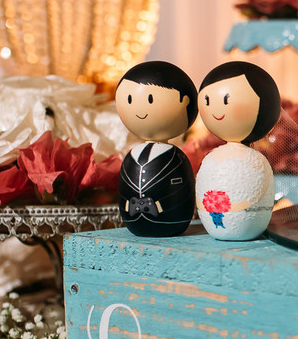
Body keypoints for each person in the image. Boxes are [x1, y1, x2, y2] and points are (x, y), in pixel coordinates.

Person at [194, 61, 280, 241]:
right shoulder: (212, 157)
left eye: (226, 100)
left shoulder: (256, 161)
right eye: (207, 101)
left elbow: (259, 191)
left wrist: (241, 206)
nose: (216, 109)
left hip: (248, 221)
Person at [115, 61, 198, 238]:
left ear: (185, 102)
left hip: (171, 221)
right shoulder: (132, 156)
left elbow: (182, 190)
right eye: (129, 99)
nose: (139, 108)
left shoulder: (177, 158)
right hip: (134, 218)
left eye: (150, 99)